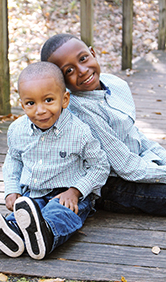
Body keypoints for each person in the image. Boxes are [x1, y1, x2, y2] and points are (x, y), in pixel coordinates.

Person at [0, 61, 110, 259]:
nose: (40, 110)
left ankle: (46, 235)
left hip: (67, 194)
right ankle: (10, 234)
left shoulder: (79, 132)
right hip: (32, 193)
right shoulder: (17, 130)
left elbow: (100, 166)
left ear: (64, 100)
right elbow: (13, 160)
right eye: (31, 103)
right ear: (22, 104)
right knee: (23, 213)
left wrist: (76, 191)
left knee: (60, 214)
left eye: (48, 100)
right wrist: (12, 189)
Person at [40, 33, 166, 216]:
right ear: (60, 82)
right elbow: (126, 167)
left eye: (83, 58)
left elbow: (135, 134)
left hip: (136, 163)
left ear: (93, 53)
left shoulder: (116, 84)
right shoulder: (80, 108)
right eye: (69, 71)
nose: (82, 70)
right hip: (109, 181)